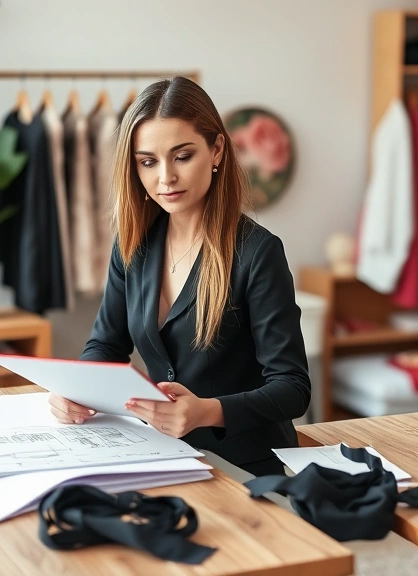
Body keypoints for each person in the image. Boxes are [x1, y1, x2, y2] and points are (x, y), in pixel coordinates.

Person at [48, 76, 311, 477]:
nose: (165, 177)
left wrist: (207, 411)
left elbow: (293, 388)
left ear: (217, 149)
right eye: (148, 162)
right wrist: (77, 390)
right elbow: (106, 344)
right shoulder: (132, 246)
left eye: (182, 156)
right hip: (163, 454)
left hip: (250, 464)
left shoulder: (258, 252)